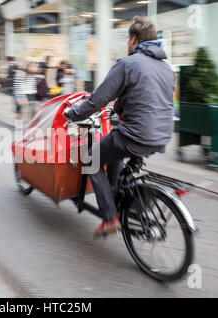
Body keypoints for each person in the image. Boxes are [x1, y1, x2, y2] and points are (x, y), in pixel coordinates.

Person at [63, 16, 176, 238]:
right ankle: (118, 201)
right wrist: (120, 109)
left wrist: (73, 114)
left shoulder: (127, 64)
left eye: (128, 39)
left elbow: (97, 100)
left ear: (134, 39)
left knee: (91, 160)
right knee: (115, 152)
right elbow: (150, 99)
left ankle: (109, 218)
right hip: (162, 136)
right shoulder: (166, 69)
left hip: (136, 135)